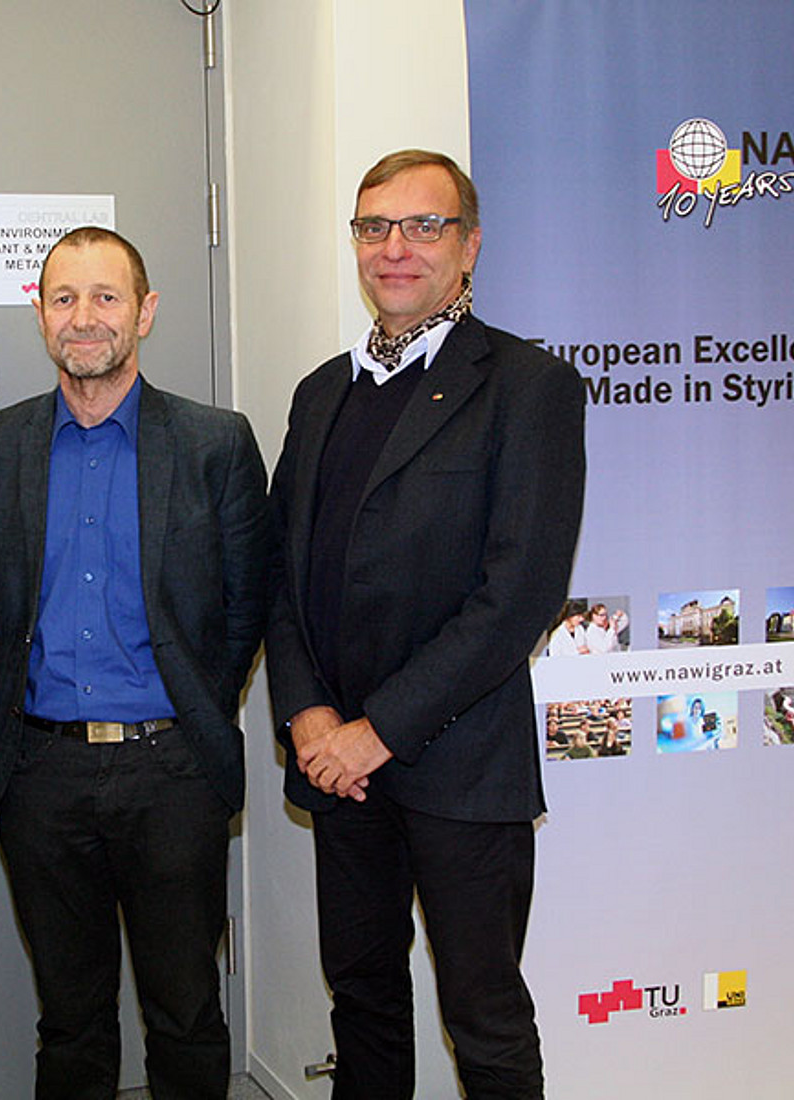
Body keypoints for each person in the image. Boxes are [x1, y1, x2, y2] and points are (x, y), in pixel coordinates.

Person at [266, 150, 585, 1099]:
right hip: (339, 772)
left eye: (423, 226)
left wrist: (378, 732)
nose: (394, 248)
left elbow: (516, 598)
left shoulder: (528, 387)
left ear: (469, 245)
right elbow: (279, 578)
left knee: (482, 1016)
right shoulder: (322, 391)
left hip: (459, 764)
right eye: (374, 227)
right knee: (361, 997)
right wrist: (309, 718)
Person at [0, 226, 271, 1099]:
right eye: (64, 298)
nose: (84, 317)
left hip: (171, 770)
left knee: (185, 1015)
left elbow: (247, 601)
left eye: (105, 297)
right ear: (40, 314)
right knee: (69, 1021)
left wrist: (189, 718)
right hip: (42, 773)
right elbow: (1, 599)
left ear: (146, 310)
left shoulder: (215, 443)